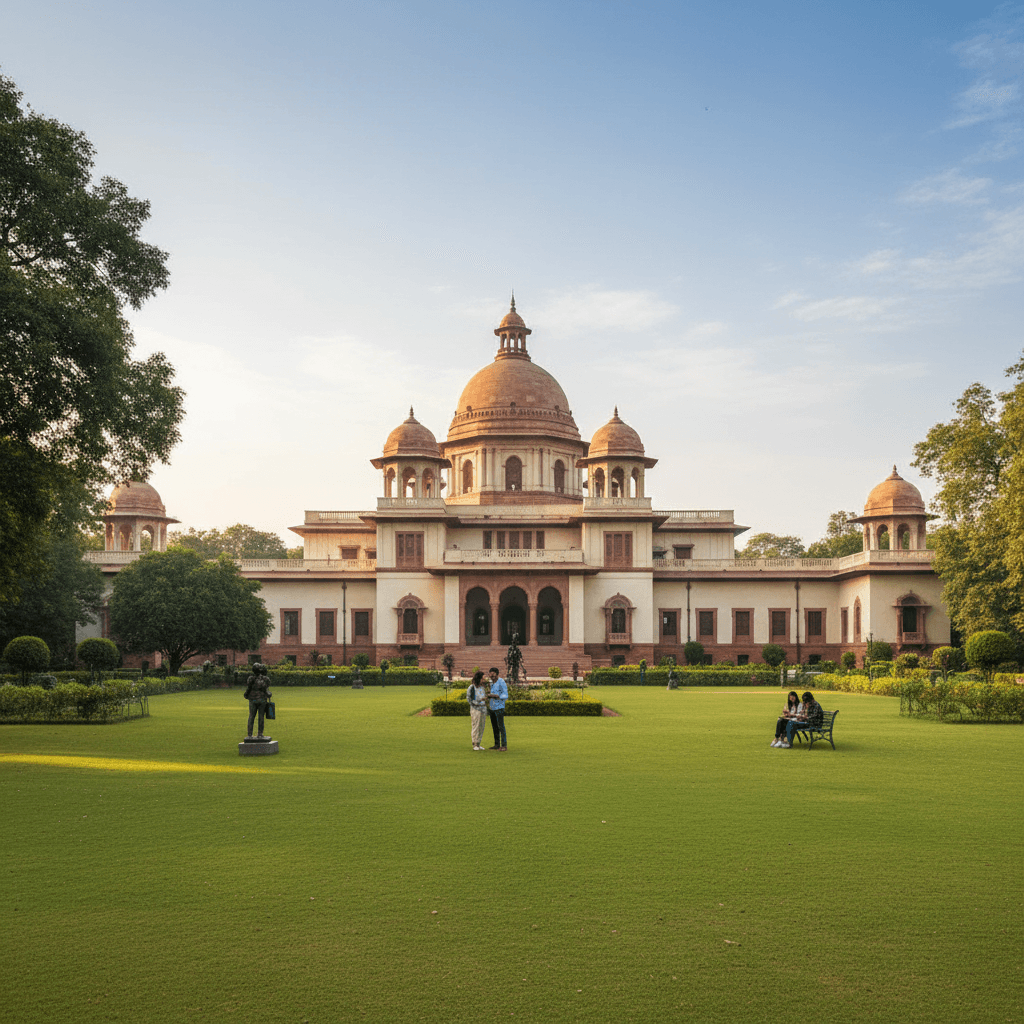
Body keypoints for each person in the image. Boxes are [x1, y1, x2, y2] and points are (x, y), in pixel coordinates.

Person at [244, 663, 273, 738]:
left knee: (251, 716)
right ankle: (260, 734)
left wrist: (246, 694)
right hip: (262, 699)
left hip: (253, 699)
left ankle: (249, 734)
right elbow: (266, 688)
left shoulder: (250, 679)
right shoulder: (265, 679)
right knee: (261, 717)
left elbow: (248, 688)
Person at [487, 666, 508, 751]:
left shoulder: (501, 682)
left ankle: (504, 745)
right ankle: (496, 744)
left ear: (497, 675)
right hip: (492, 707)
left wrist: (496, 696)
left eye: (494, 675)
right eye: (491, 676)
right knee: (494, 727)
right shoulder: (491, 683)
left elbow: (505, 695)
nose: (492, 677)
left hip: (499, 707)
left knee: (501, 726)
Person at [467, 670, 488, 751]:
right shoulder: (472, 688)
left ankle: (478, 743)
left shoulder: (482, 688)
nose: (484, 680)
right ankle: (474, 743)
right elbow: (469, 699)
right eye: (482, 678)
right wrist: (478, 701)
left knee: (481, 726)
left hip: (483, 709)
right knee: (476, 726)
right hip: (476, 709)